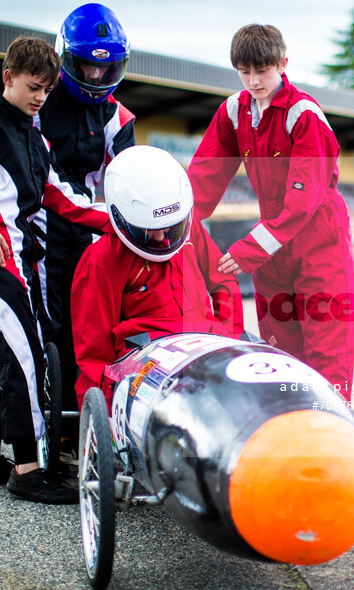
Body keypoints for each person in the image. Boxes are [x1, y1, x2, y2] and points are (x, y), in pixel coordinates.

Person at [0, 35, 111, 504]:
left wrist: (119, 221)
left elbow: (58, 195)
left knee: (8, 354)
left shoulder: (36, 135)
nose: (40, 98)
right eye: (34, 87)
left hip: (24, 261)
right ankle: (27, 470)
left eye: (47, 91)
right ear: (7, 77)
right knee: (24, 355)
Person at [185, 24, 354, 399]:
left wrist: (248, 251)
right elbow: (205, 175)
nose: (253, 81)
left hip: (319, 238)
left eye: (261, 71)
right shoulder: (233, 111)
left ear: (282, 64)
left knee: (327, 352)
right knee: (281, 354)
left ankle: (333, 441)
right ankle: (289, 439)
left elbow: (302, 203)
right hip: (273, 246)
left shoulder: (305, 115)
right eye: (244, 72)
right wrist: (175, 226)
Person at [71, 145, 244, 407]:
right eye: (148, 230)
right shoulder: (101, 259)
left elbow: (224, 280)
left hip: (209, 348)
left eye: (171, 228)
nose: (162, 238)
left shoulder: (189, 226)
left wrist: (228, 339)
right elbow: (94, 353)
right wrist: (106, 415)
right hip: (151, 365)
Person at [33, 3, 135, 417]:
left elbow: (128, 180)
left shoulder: (117, 115)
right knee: (44, 329)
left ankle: (85, 416)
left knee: (90, 326)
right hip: (38, 228)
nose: (95, 76)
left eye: (105, 67)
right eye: (87, 66)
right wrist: (107, 220)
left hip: (89, 232)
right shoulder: (38, 103)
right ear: (66, 58)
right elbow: (43, 181)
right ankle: (38, 426)